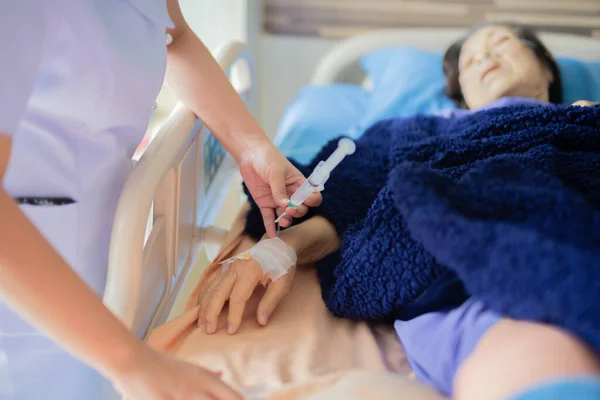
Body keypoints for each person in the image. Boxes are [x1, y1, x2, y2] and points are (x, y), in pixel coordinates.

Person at [195, 23, 600, 399]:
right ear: (461, 91)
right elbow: (348, 202)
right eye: (470, 60)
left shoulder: (585, 118)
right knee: (536, 348)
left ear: (548, 71)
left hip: (579, 228)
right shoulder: (418, 131)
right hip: (464, 279)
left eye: (501, 42)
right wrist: (277, 251)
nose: (484, 57)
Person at [0, 1, 320, 400]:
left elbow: (174, 35)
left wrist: (251, 145)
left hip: (102, 245)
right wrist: (129, 361)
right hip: (24, 286)